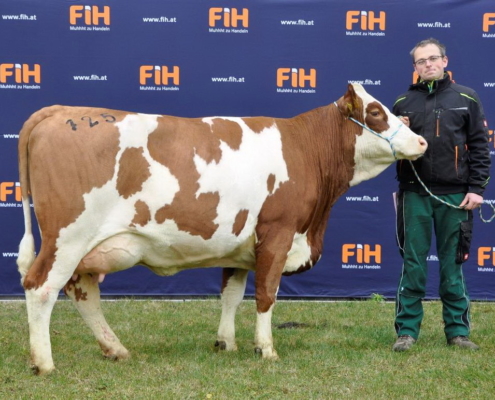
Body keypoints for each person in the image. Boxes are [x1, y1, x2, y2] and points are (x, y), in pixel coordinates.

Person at [391, 38, 491, 351]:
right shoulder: (401, 104)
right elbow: (390, 152)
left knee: (452, 267)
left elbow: (480, 147)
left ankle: (458, 333)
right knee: (413, 265)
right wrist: (399, 133)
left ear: (445, 61)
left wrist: (476, 190)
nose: (428, 64)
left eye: (433, 58)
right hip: (414, 195)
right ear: (415, 68)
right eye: (422, 61)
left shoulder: (467, 98)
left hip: (456, 197)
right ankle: (406, 332)